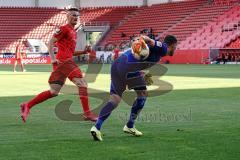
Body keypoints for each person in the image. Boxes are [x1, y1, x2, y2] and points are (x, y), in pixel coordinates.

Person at [90, 35, 177, 141]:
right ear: (172, 45)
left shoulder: (156, 52)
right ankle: (130, 125)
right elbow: (145, 39)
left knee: (115, 100)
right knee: (143, 94)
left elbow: (140, 58)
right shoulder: (163, 48)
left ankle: (96, 127)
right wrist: (139, 41)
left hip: (117, 65)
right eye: (175, 47)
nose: (175, 49)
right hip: (128, 67)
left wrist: (141, 74)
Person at [20, 7, 98, 123]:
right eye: (73, 15)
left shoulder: (74, 32)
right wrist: (52, 59)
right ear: (67, 16)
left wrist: (83, 52)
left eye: (77, 15)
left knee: (54, 92)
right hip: (64, 62)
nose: (75, 17)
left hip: (64, 62)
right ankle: (87, 114)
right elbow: (51, 42)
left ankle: (27, 105)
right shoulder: (64, 29)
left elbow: (70, 52)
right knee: (82, 84)